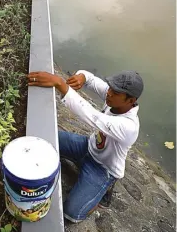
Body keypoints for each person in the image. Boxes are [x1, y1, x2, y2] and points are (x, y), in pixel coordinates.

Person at [27, 69, 144, 224]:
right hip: (87, 147)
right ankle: (80, 166)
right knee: (46, 139)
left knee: (71, 213)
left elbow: (92, 116)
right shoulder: (113, 98)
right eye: (110, 89)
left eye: (115, 93)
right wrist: (82, 77)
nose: (109, 93)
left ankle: (102, 193)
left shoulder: (129, 126)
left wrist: (60, 84)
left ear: (130, 100)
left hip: (102, 169)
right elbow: (91, 79)